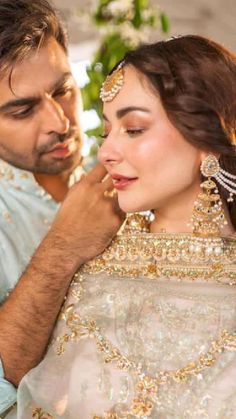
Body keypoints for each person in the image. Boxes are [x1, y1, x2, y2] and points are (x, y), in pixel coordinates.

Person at [15, 35, 236, 418]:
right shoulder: (90, 268)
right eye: (106, 132)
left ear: (209, 136)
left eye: (133, 129)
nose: (106, 153)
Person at [0, 0, 124, 417]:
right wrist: (64, 245)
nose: (59, 121)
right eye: (22, 109)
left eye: (63, 90)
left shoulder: (118, 172)